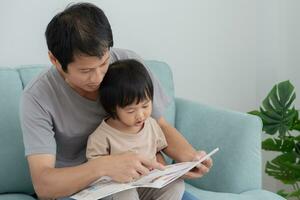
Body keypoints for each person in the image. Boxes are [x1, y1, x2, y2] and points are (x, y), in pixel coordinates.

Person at [20, 2, 213, 200]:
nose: (97, 77)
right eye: (85, 71)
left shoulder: (127, 64)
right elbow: (44, 185)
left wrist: (190, 158)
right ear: (54, 60)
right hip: (82, 191)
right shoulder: (37, 97)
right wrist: (104, 166)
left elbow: (159, 126)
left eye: (103, 63)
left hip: (142, 181)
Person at [86, 59, 185, 200]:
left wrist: (161, 172)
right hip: (117, 189)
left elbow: (157, 152)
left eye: (145, 106)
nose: (140, 115)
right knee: (126, 195)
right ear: (113, 108)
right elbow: (94, 170)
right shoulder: (102, 136)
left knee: (176, 185)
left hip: (146, 184)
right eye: (131, 110)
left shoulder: (151, 125)